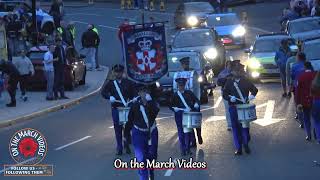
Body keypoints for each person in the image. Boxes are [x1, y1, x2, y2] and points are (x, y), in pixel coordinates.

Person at [124, 84, 159, 180]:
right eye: (142, 91)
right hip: (139, 133)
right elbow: (130, 121)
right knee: (141, 159)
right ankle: (143, 177)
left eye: (146, 91)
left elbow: (155, 113)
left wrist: (150, 101)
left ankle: (151, 174)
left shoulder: (153, 103)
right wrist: (126, 135)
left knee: (152, 156)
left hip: (152, 132)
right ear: (139, 93)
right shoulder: (134, 105)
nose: (144, 93)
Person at [223, 63, 258, 155]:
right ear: (232, 72)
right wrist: (230, 98)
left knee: (245, 127)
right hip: (233, 107)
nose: (237, 72)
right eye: (235, 70)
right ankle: (238, 148)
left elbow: (254, 89)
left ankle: (245, 143)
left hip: (244, 108)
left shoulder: (245, 81)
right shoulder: (229, 82)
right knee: (235, 128)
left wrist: (252, 96)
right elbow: (225, 94)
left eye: (238, 70)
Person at [101, 64, 136, 155]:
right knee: (118, 128)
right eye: (116, 72)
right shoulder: (111, 83)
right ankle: (119, 147)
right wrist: (110, 97)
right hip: (116, 108)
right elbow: (103, 92)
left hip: (125, 108)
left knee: (127, 127)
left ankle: (126, 142)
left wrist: (132, 102)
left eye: (119, 72)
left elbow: (133, 94)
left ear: (122, 72)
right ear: (114, 72)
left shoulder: (128, 82)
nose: (118, 74)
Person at [170, 78, 201, 156]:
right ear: (177, 85)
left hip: (188, 115)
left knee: (187, 132)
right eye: (180, 85)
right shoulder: (175, 95)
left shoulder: (189, 93)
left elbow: (197, 100)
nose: (181, 87)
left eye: (183, 85)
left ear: (185, 85)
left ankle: (187, 149)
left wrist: (196, 104)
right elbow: (170, 105)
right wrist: (175, 109)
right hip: (179, 115)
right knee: (181, 133)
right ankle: (183, 149)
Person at [296, 62, 320, 141]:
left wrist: (298, 102)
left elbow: (298, 91)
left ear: (304, 68)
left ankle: (308, 135)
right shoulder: (316, 74)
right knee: (316, 119)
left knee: (306, 118)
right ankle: (317, 133)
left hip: (305, 101)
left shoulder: (301, 76)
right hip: (315, 100)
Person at [291, 52, 307, 127]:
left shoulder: (294, 66)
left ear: (298, 58)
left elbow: (292, 77)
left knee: (297, 102)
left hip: (297, 87)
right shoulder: (308, 65)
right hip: (307, 87)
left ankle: (300, 120)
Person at [217, 60, 233, 130]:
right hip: (225, 92)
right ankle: (229, 125)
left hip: (234, 92)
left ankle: (236, 122)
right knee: (228, 108)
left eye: (230, 65)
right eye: (228, 65)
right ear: (226, 66)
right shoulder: (222, 73)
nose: (229, 67)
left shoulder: (235, 72)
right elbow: (219, 83)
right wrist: (226, 78)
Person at [311, 71, 320, 144]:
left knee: (317, 122)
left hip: (316, 102)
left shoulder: (314, 84)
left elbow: (311, 94)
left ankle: (318, 138)